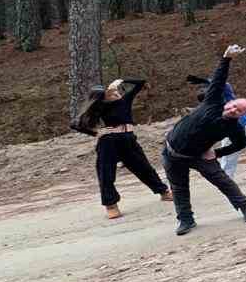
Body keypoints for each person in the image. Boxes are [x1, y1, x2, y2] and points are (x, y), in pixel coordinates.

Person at [163, 46, 246, 236]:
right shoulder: (213, 101)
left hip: (199, 156)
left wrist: (217, 152)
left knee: (223, 181)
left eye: (239, 110)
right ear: (229, 102)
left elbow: (241, 144)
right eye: (234, 105)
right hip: (171, 152)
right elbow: (218, 80)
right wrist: (226, 58)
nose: (233, 109)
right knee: (179, 188)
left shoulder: (234, 128)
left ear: (242, 115)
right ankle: (186, 220)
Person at [72, 77, 173, 220]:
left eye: (116, 92)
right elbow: (75, 124)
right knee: (106, 174)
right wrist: (96, 133)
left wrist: (121, 80)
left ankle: (163, 192)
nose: (116, 93)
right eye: (111, 93)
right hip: (108, 143)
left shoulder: (126, 100)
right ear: (104, 97)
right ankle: (111, 205)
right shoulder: (100, 106)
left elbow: (141, 83)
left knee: (144, 167)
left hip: (129, 140)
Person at [189, 70, 246, 181]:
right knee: (229, 154)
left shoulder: (225, 92)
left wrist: (205, 80)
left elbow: (223, 83)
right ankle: (226, 177)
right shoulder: (210, 106)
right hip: (230, 128)